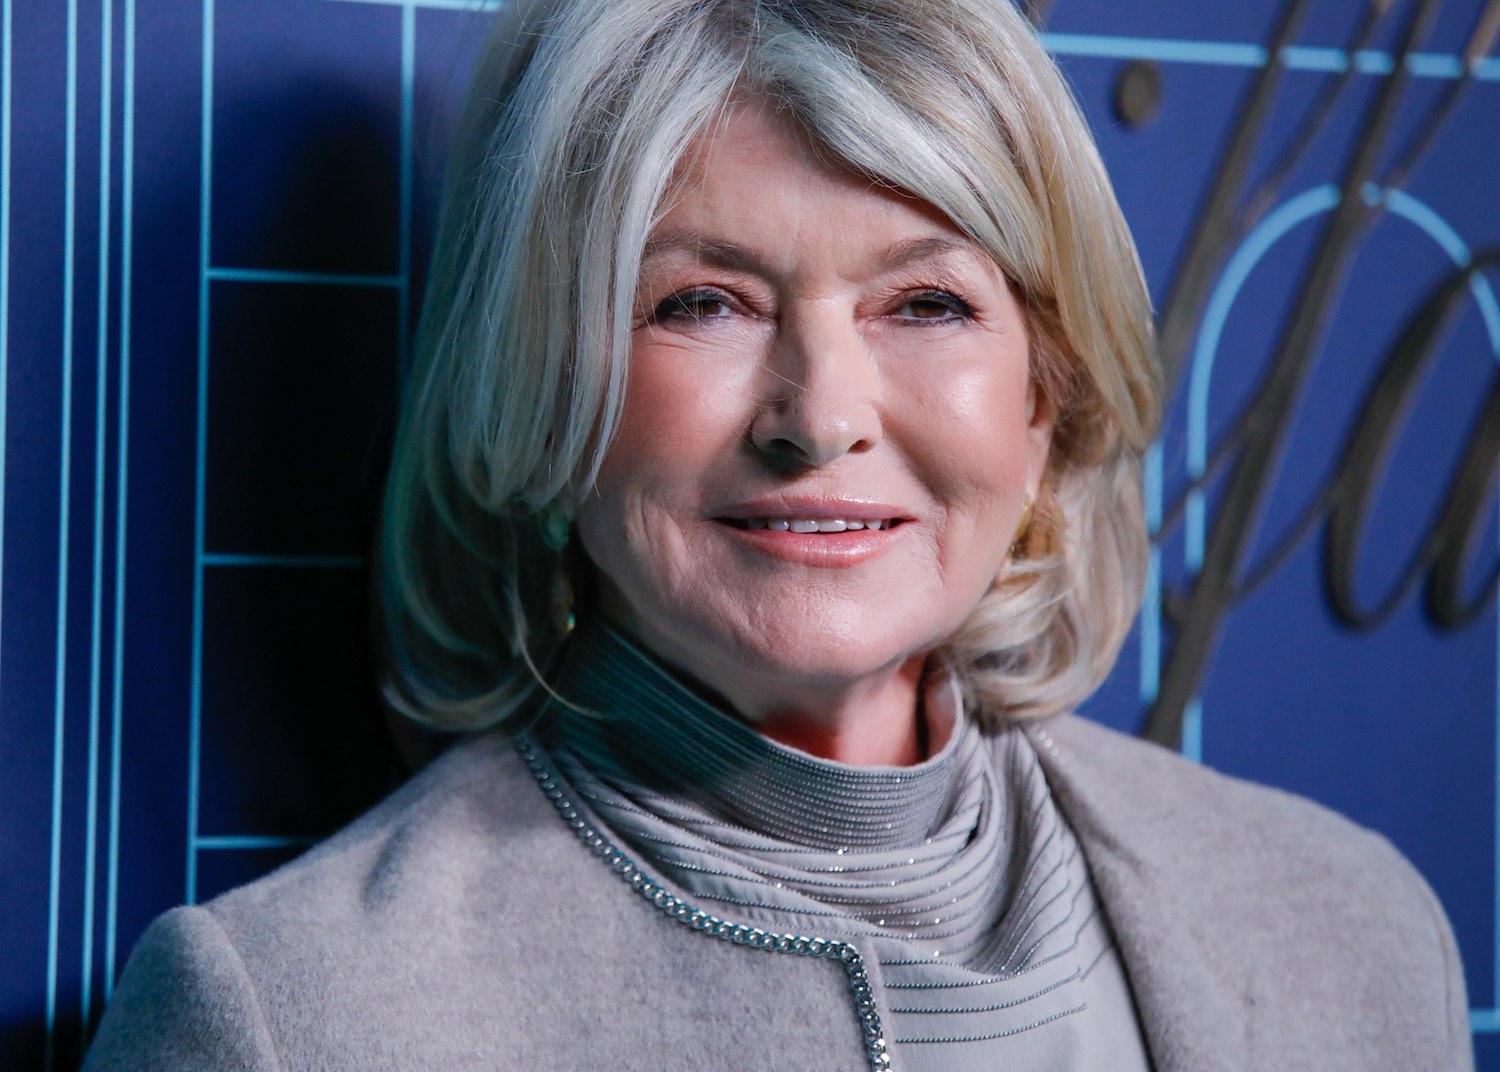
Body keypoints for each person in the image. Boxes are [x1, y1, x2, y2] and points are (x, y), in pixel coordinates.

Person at [85, 0, 1472, 1068]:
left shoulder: (1354, 927)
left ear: (1047, 393)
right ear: (544, 388)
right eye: (704, 303)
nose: (819, 416)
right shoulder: (290, 1020)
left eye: (925, 304)